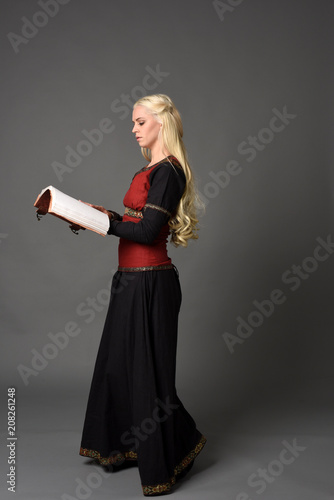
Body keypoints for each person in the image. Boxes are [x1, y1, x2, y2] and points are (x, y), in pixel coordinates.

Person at [77, 93, 207, 496]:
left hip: (152, 282)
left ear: (161, 123)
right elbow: (137, 220)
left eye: (139, 122)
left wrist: (102, 224)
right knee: (119, 366)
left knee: (148, 375)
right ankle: (125, 448)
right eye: (133, 123)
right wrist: (103, 216)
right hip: (131, 279)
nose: (132, 129)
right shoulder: (149, 169)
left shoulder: (169, 171)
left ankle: (177, 448)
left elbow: (149, 232)